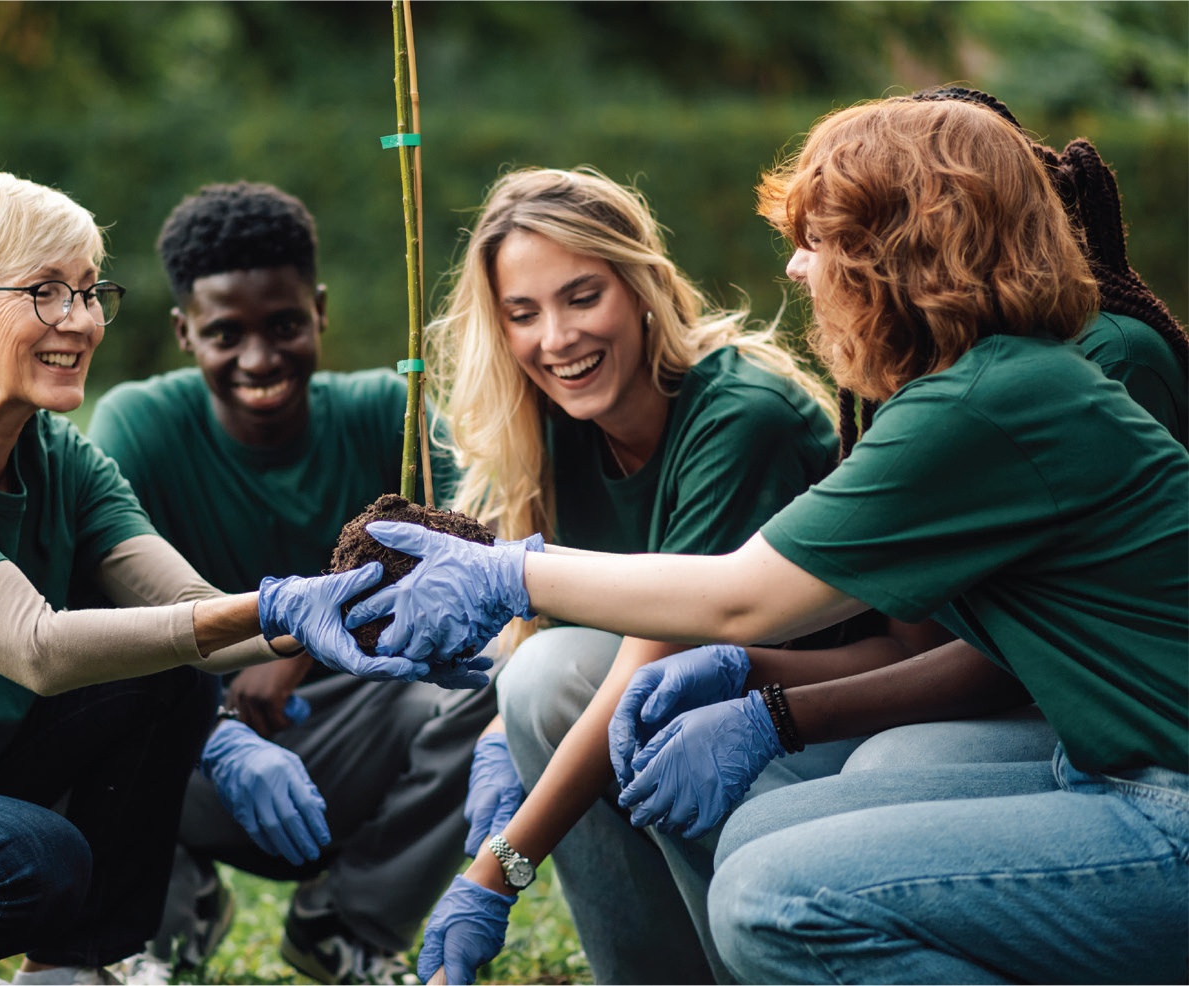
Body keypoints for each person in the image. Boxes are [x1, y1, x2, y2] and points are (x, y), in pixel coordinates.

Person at [357, 96, 1187, 984]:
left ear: (893, 250)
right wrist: (752, 682)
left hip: (1159, 795)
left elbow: (733, 596)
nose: (795, 269)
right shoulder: (990, 385)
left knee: (770, 897)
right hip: (1106, 758)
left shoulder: (986, 404)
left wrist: (502, 574)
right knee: (756, 836)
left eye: (817, 239)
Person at [0, 171, 470, 985]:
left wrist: (345, 612)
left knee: (165, 675)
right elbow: (35, 648)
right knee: (38, 860)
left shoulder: (60, 457)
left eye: (90, 292)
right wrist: (269, 609)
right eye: (46, 293)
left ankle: (71, 971)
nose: (82, 322)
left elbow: (191, 611)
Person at [417, 165, 869, 983]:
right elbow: (550, 642)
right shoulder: (553, 431)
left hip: (831, 736)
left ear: (640, 284)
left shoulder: (739, 418)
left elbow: (643, 672)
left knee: (594, 693)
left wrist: (496, 873)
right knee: (537, 684)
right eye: (522, 314)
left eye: (581, 297)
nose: (555, 339)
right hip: (701, 711)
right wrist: (496, 744)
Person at [88, 181, 482, 985]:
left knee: (498, 685)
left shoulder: (387, 409)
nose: (260, 360)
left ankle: (347, 924)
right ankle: (161, 921)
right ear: (181, 331)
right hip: (186, 744)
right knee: (74, 695)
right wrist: (226, 696)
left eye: (285, 326)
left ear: (321, 310)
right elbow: (98, 618)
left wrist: (300, 644)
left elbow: (476, 558)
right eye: (225, 334)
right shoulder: (140, 425)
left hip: (348, 726)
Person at [832, 85, 1188, 775]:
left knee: (893, 763)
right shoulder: (935, 367)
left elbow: (1036, 646)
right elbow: (915, 628)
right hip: (1050, 691)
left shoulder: (1105, 356)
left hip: (1122, 713)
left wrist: (782, 713)